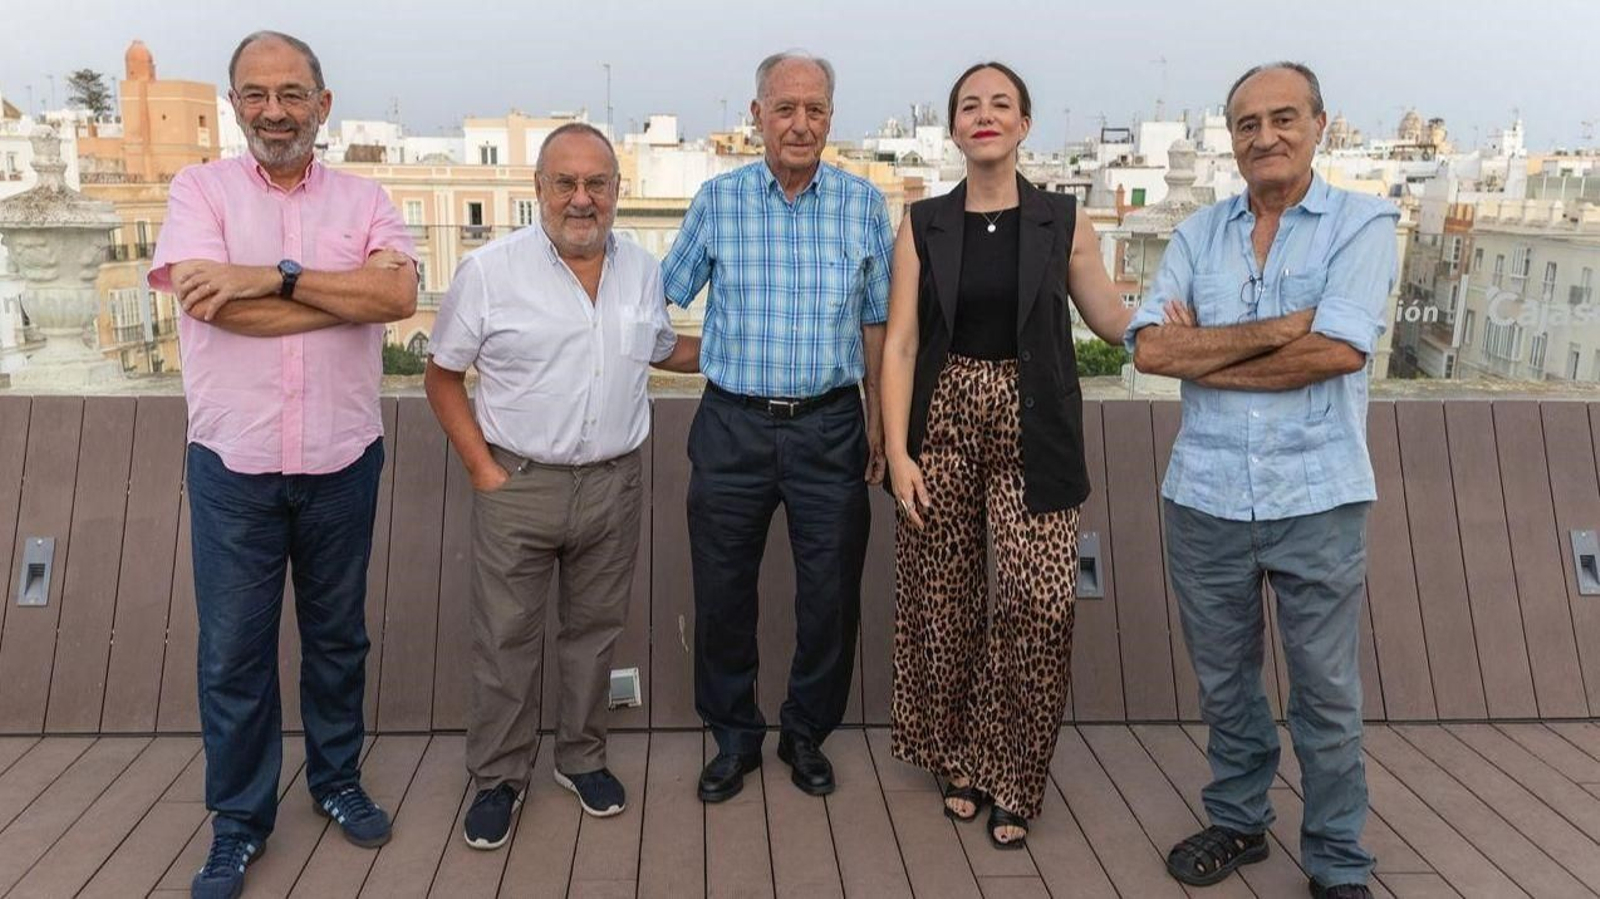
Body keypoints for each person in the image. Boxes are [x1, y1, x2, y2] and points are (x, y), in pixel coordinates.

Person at [147, 30, 418, 899]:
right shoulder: (199, 191)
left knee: (339, 639)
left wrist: (271, 276)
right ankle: (238, 820)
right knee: (233, 652)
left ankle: (335, 779)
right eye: (256, 94)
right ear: (235, 106)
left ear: (322, 104)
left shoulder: (366, 196)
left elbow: (398, 296)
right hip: (235, 464)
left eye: (292, 93)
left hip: (343, 458)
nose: (275, 110)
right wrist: (335, 296)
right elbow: (213, 309)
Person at [1126, 62, 1397, 899]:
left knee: (1325, 693)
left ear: (1321, 123)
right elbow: (1148, 349)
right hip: (1204, 495)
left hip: (1316, 498)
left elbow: (1338, 351)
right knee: (1225, 683)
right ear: (1231, 137)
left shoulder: (1364, 221)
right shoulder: (1196, 235)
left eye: (1284, 118)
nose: (1265, 136)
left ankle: (1338, 861)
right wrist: (1281, 330)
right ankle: (1240, 819)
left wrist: (1209, 353)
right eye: (1247, 123)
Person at [425, 123, 700, 850]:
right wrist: (484, 469)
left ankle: (581, 759)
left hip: (614, 483)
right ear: (538, 190)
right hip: (518, 482)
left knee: (593, 635)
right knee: (505, 638)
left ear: (618, 190)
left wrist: (764, 351)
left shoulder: (643, 270)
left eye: (597, 183)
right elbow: (441, 374)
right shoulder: (490, 271)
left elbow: (664, 349)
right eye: (566, 183)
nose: (583, 198)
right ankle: (498, 777)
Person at [881, 61, 1133, 850]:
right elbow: (901, 344)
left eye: (1001, 104)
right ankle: (960, 755)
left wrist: (1194, 313)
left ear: (1025, 124)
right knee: (945, 602)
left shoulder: (1064, 220)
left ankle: (1014, 771)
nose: (984, 115)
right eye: (969, 105)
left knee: (1038, 604)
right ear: (953, 127)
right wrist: (897, 453)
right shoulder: (924, 222)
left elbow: (1113, 321)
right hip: (944, 419)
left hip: (1037, 423)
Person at [660, 50, 892, 803]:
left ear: (831, 116)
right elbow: (657, 297)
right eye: (784, 108)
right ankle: (734, 737)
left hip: (831, 429)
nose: (800, 123)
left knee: (830, 596)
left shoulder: (863, 204)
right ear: (755, 115)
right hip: (732, 426)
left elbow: (879, 326)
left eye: (815, 109)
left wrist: (881, 430)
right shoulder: (717, 200)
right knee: (724, 592)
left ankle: (804, 733)